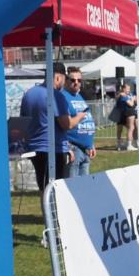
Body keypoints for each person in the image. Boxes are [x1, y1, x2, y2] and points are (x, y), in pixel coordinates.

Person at [20, 62, 84, 203]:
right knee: (54, 189)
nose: (64, 83)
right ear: (58, 78)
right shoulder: (56, 96)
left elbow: (23, 121)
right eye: (65, 79)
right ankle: (54, 221)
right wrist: (79, 117)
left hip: (34, 147)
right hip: (52, 148)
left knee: (43, 187)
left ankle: (48, 219)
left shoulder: (29, 94)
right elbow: (66, 124)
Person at [61, 67, 96, 177]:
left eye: (79, 80)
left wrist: (91, 144)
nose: (76, 83)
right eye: (73, 80)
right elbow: (61, 124)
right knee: (72, 186)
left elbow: (87, 118)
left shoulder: (79, 96)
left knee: (84, 188)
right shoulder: (63, 97)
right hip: (73, 148)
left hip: (86, 150)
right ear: (66, 81)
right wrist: (66, 147)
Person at [115, 82, 138, 151]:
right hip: (121, 113)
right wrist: (133, 99)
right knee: (122, 129)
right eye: (127, 89)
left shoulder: (128, 94)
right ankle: (125, 144)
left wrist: (135, 99)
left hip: (125, 114)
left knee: (130, 128)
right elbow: (131, 104)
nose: (129, 90)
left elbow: (134, 102)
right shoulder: (122, 95)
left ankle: (127, 143)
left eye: (129, 89)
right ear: (123, 89)